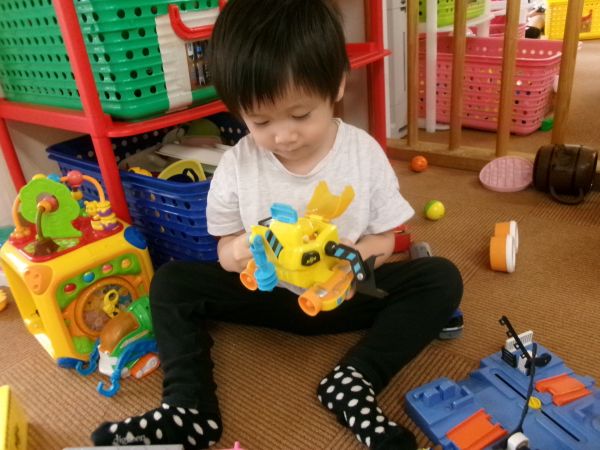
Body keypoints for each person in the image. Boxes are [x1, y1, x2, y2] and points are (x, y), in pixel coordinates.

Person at [91, 0, 463, 449]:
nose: (284, 135)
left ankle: (354, 380)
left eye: (301, 115)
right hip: (266, 294)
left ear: (336, 84)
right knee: (171, 282)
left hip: (340, 297)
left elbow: (386, 238)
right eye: (261, 121)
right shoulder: (237, 164)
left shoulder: (363, 153)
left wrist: (358, 258)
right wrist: (239, 251)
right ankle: (189, 408)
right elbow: (224, 250)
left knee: (440, 278)